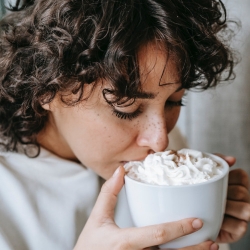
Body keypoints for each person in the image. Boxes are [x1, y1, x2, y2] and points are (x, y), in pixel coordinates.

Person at [0, 0, 249, 250]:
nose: (160, 141)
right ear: (46, 90)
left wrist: (205, 228)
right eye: (126, 108)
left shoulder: (169, 156)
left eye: (174, 102)